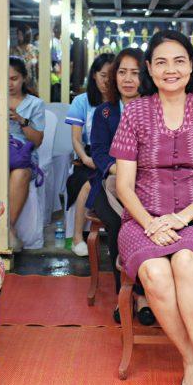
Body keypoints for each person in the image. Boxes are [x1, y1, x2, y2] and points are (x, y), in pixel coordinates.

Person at [111, 30, 193, 385]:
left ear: (191, 66)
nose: (171, 69)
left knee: (185, 262)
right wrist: (150, 223)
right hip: (142, 216)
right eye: (161, 62)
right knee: (155, 272)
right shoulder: (134, 112)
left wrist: (182, 218)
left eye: (179, 60)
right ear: (149, 69)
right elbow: (123, 185)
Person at [89, 48, 154, 325]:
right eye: (122, 72)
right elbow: (99, 153)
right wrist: (123, 171)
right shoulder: (104, 112)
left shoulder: (156, 109)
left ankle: (144, 293)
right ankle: (126, 295)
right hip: (110, 185)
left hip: (149, 185)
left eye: (135, 73)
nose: (128, 79)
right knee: (120, 223)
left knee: (146, 222)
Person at [65, 52, 114, 256]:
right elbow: (76, 139)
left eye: (112, 76)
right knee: (88, 184)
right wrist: (85, 159)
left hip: (116, 156)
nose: (107, 81)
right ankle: (77, 238)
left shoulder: (120, 101)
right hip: (89, 156)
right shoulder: (82, 101)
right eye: (103, 75)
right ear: (94, 75)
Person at [8, 56, 45, 252]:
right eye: (5, 78)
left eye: (14, 78)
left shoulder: (35, 104)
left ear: (23, 78)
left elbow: (37, 141)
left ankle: (8, 227)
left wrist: (21, 120)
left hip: (24, 154)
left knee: (21, 172)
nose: (9, 84)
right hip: (0, 153)